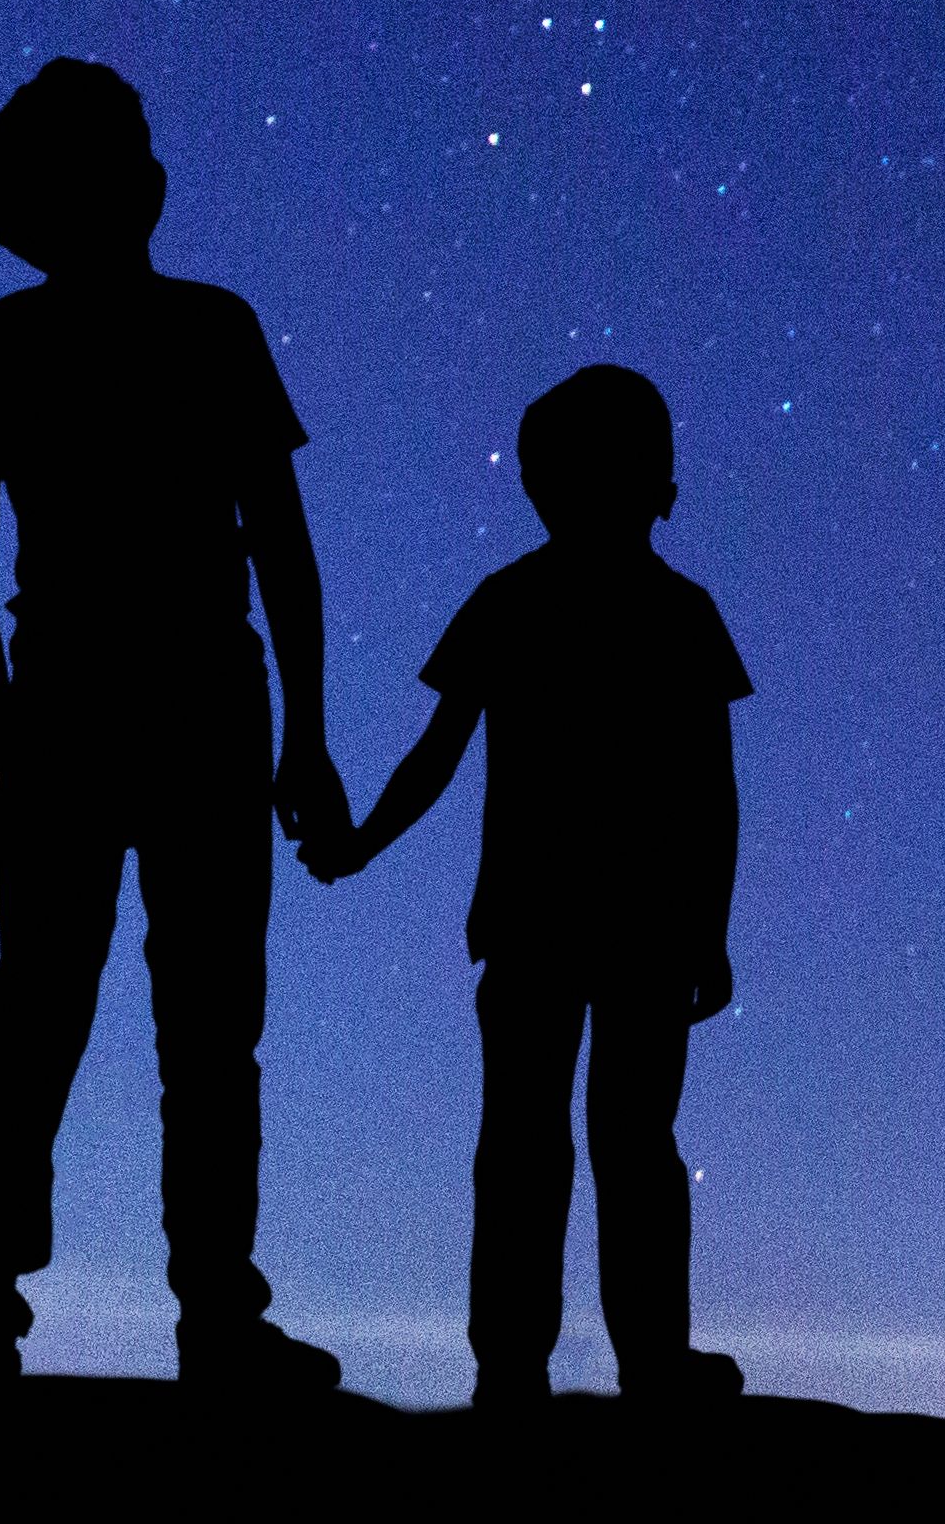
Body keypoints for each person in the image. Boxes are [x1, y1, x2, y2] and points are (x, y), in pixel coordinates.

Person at [0, 57, 353, 1388]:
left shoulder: (59, 341)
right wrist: (306, 736)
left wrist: (304, 736)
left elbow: (278, 543)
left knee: (120, 1017)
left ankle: (70, 1307)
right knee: (145, 1022)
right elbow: (278, 545)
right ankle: (88, 1307)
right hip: (150, 708)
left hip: (146, 710)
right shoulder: (116, 336)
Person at [302, 362, 750, 1408]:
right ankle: (580, 1359)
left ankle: (555, 1359)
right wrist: (710, 928)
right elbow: (711, 796)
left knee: (554, 1143)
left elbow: (706, 793)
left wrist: (365, 840)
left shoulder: (546, 601)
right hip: (598, 922)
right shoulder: (658, 610)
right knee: (586, 1142)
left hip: (577, 921)